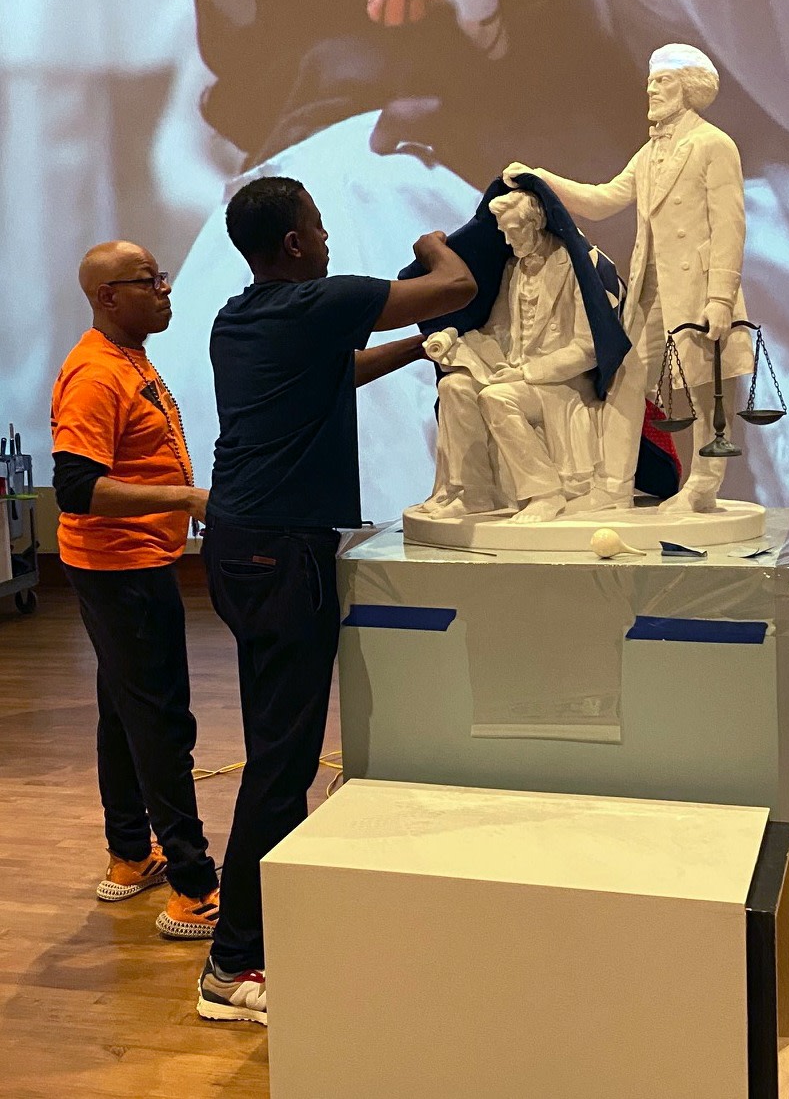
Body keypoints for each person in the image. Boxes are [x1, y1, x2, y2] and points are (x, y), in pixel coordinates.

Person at [196, 175, 476, 1024]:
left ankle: (269, 929)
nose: (325, 238)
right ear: (294, 244)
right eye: (317, 227)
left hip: (238, 547)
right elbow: (455, 284)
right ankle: (232, 965)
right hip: (285, 553)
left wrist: (420, 350)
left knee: (276, 746)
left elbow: (336, 371)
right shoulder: (323, 299)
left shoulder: (238, 318)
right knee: (280, 763)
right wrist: (432, 240)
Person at [51, 241, 220, 940]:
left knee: (124, 713)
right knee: (160, 723)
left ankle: (130, 857)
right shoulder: (95, 374)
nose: (165, 289)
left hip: (128, 563)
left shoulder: (129, 359)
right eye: (148, 282)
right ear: (107, 297)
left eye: (163, 277)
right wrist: (188, 496)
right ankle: (192, 889)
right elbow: (77, 487)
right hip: (121, 568)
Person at [506, 43, 755, 512]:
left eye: (662, 81)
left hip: (696, 290)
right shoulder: (650, 154)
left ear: (687, 88)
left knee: (705, 391)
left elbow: (730, 225)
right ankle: (613, 487)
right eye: (651, 80)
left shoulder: (713, 145)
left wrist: (720, 297)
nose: (651, 89)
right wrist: (541, 179)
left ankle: (703, 484)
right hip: (651, 288)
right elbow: (602, 200)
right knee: (625, 379)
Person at [423, 188, 605, 522]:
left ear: (536, 223)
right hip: (519, 373)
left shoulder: (577, 265)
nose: (507, 241)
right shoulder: (516, 268)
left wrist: (525, 373)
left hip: (560, 383)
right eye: (503, 233)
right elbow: (499, 331)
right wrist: (456, 342)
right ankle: (474, 494)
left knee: (497, 398)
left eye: (513, 231)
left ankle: (544, 492)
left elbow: (587, 349)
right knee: (454, 388)